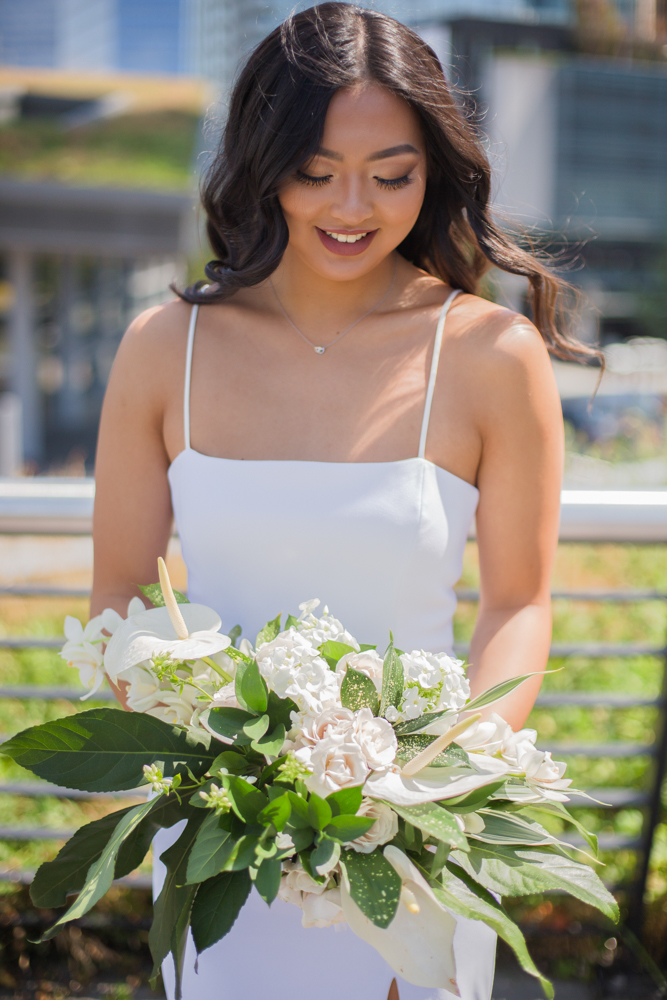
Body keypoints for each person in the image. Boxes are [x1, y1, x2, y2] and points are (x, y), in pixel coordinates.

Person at [91, 5, 595, 999]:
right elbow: (119, 593)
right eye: (316, 170)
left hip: (412, 839)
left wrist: (434, 777)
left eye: (391, 172)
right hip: (222, 844)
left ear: (434, 169)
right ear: (261, 161)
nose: (350, 205)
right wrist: (226, 764)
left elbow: (517, 604)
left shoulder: (494, 356)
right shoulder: (163, 348)